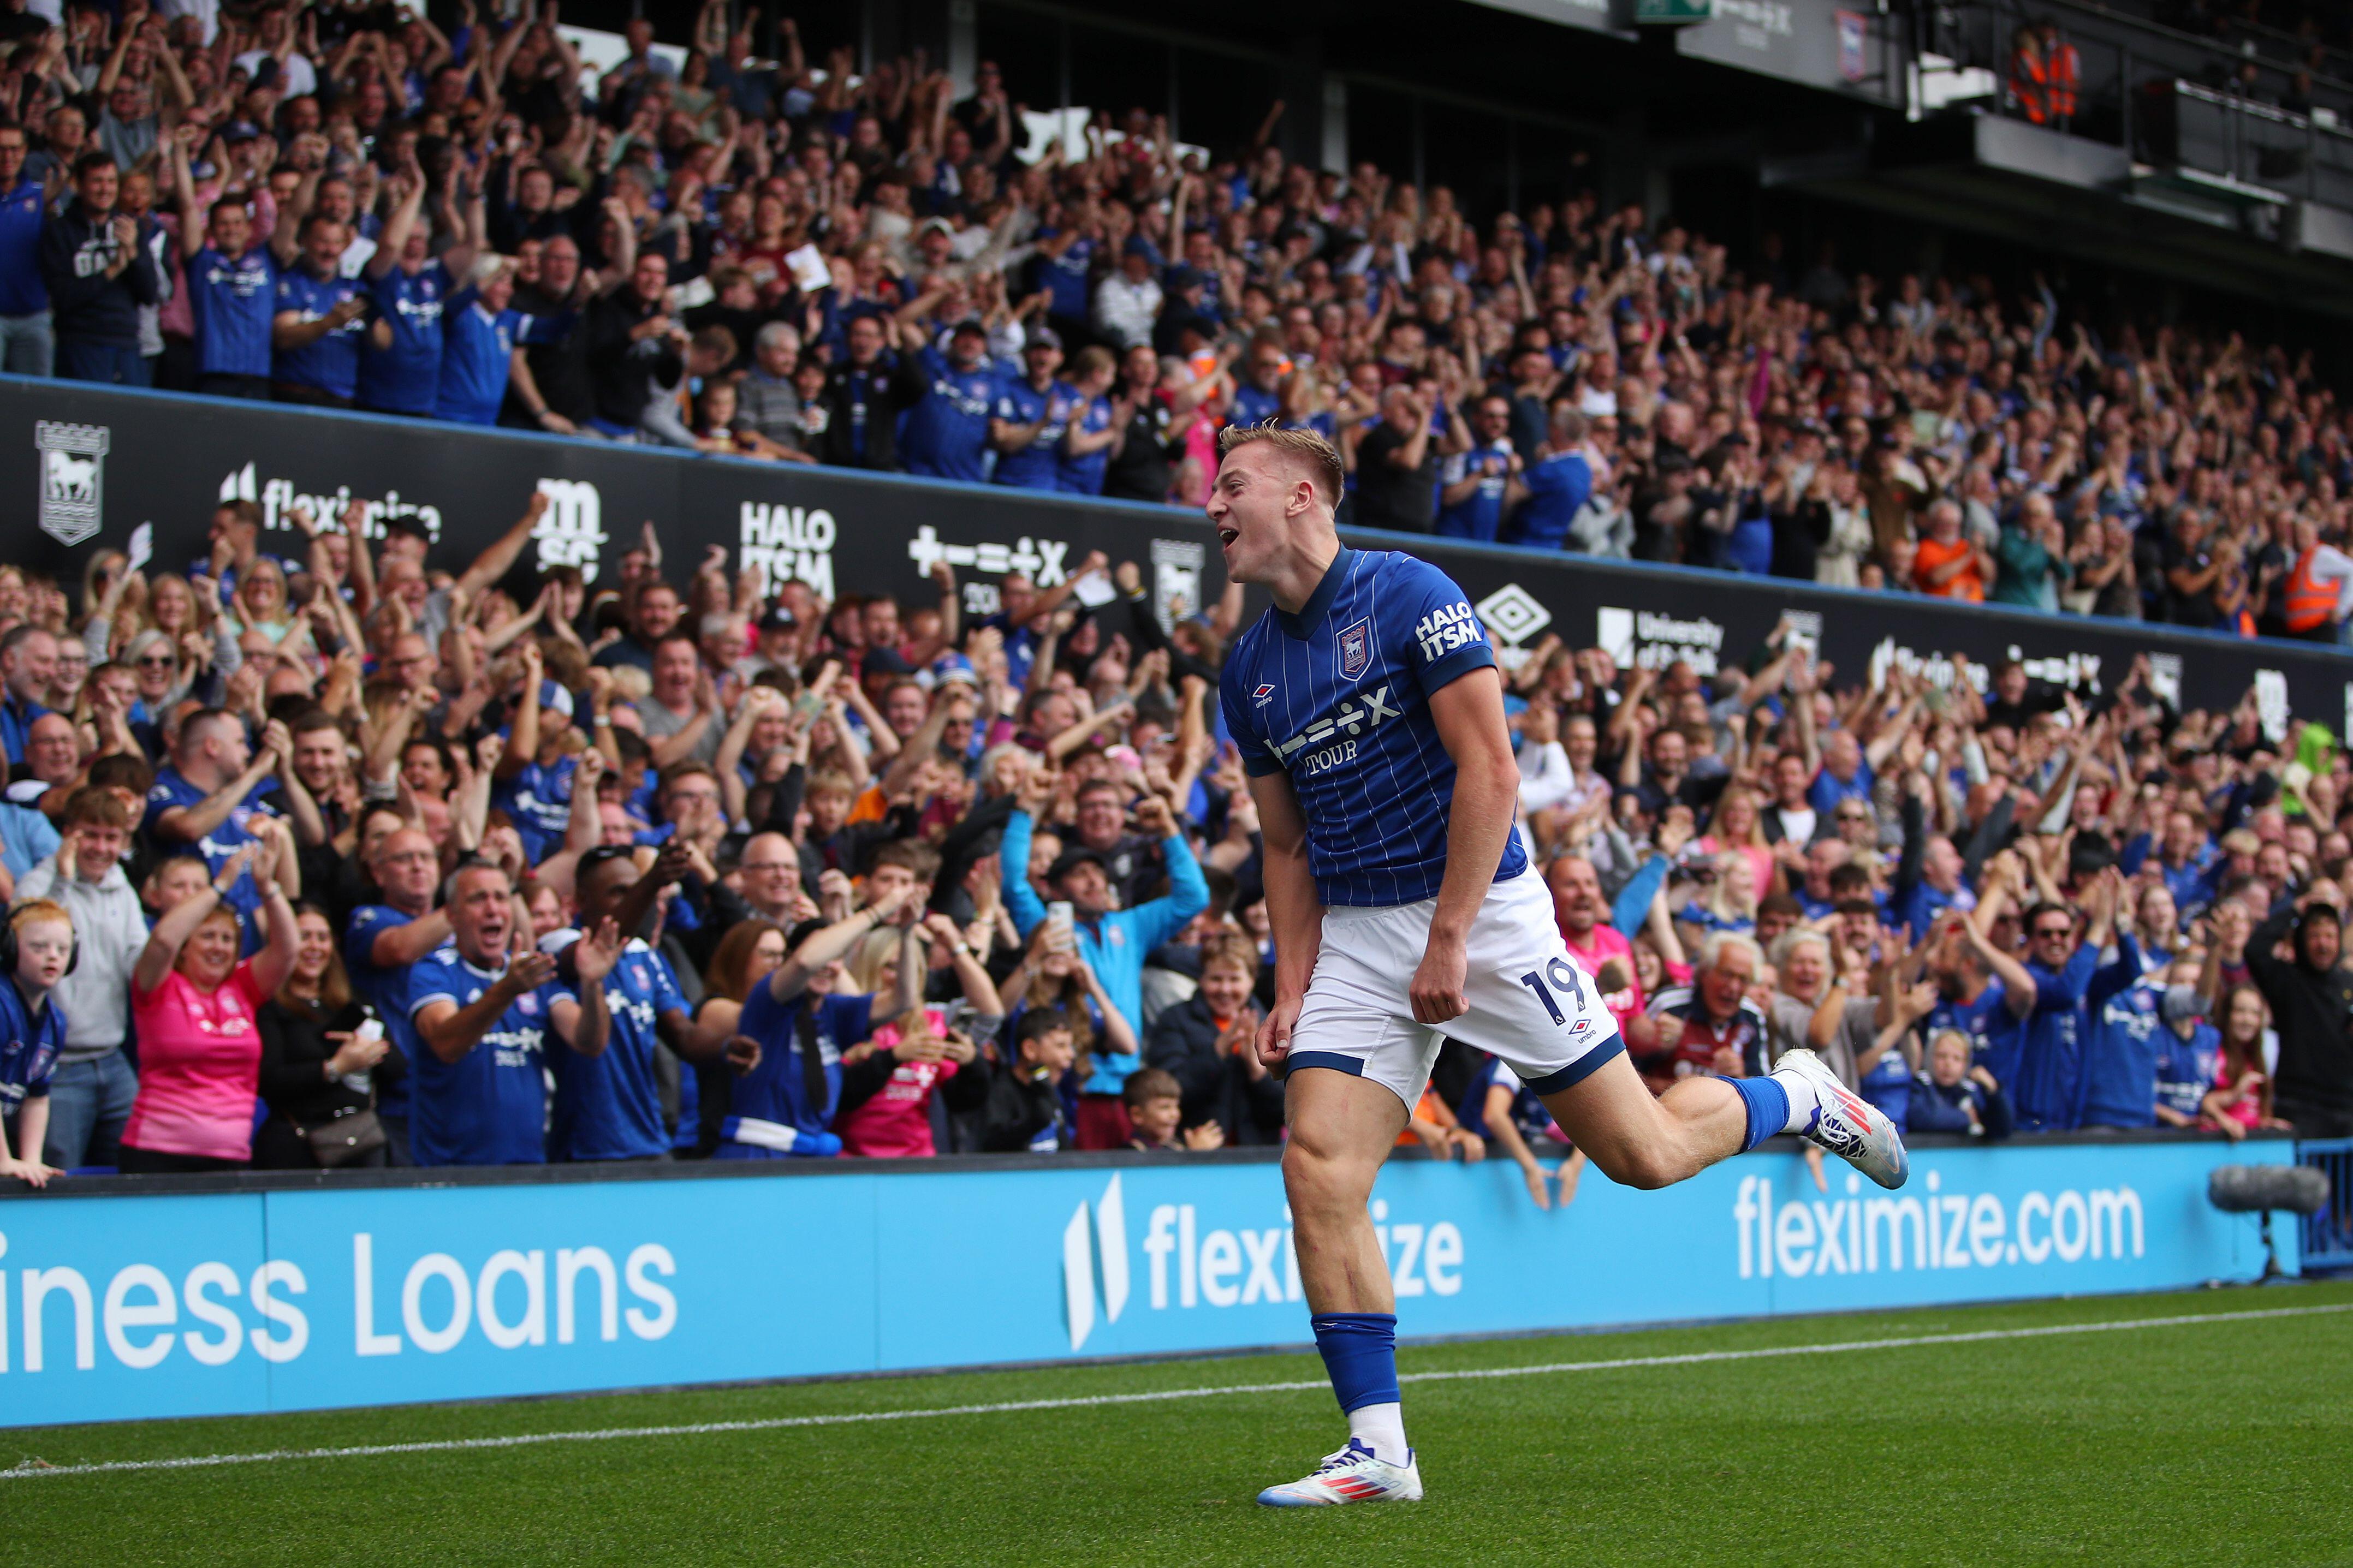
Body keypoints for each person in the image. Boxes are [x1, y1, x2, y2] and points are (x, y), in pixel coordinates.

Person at [1209, 424, 1903, 1507]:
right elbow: (1286, 844)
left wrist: (1448, 936)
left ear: (1301, 495)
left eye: (1231, 483)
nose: (1211, 502)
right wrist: (1291, 981)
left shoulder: (1411, 594)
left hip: (1484, 913)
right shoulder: (1247, 666)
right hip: (1356, 925)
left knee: (1648, 1151)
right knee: (1316, 1164)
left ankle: (1800, 1097)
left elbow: (1491, 770)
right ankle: (1378, 1449)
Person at [119, 839, 299, 1173]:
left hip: (229, 1154)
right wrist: (220, 886)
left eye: (227, 939)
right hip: (156, 1152)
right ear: (185, 947)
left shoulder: (243, 986)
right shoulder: (159, 984)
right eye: (208, 936)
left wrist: (267, 887)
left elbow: (288, 950)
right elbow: (162, 940)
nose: (219, 947)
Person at [408, 860, 573, 1166]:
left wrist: (592, 983)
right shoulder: (434, 971)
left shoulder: (530, 972)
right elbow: (446, 1044)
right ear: (451, 915)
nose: (492, 909)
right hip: (452, 1173)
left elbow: (588, 1042)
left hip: (529, 1167)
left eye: (501, 897)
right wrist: (506, 990)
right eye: (478, 899)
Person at [16, 788, 148, 1169]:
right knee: (58, 1178)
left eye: (111, 838)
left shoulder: (120, 885)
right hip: (57, 1066)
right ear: (69, 833)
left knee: (130, 1172)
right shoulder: (36, 884)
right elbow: (30, 943)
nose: (101, 848)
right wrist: (64, 879)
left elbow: (136, 962)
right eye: (90, 834)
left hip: (112, 1059)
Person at [254, 901, 389, 1168]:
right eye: (304, 937)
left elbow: (398, 1066)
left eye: (323, 938)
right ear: (283, 941)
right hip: (295, 1147)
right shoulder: (269, 1007)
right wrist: (335, 1067)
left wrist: (369, 1052)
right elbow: (269, 1082)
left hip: (359, 1141)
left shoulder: (352, 1002)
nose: (315, 947)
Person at [0, 901, 73, 1187]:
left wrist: (31, 1161)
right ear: (10, 949)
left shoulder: (55, 1021)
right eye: (39, 947)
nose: (52, 957)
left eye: (62, 949)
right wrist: (4, 1161)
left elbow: (37, 1098)